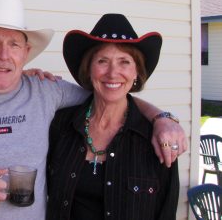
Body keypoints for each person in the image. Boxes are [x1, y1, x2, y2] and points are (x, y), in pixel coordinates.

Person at [0, 0, 186, 220]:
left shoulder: (47, 92)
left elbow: (109, 91)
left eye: (14, 44)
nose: (3, 56)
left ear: (26, 52)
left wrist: (161, 117)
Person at [46, 13, 179, 220]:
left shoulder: (157, 138)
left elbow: (166, 212)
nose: (112, 73)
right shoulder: (60, 125)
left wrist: (162, 118)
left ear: (137, 73)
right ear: (89, 69)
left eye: (124, 62)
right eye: (102, 61)